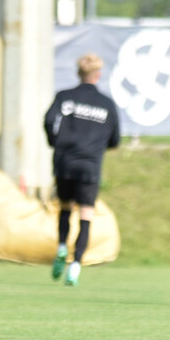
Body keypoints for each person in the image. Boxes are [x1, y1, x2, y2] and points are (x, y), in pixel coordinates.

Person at [43, 52, 120, 286]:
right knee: (86, 214)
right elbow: (115, 139)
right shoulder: (107, 104)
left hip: (65, 162)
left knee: (65, 208)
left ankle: (62, 247)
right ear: (98, 74)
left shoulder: (65, 97)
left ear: (79, 73)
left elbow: (48, 121)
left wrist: (56, 142)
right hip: (90, 166)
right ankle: (75, 266)